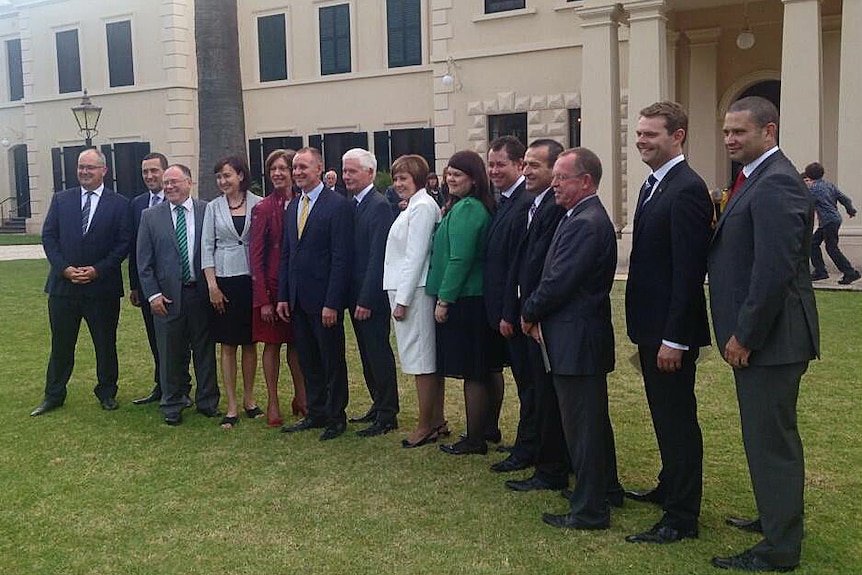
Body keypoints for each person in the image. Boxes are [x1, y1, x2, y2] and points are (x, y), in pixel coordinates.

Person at [709, 96, 819, 572]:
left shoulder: (776, 183)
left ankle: (779, 548)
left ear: (768, 132)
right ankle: (774, 518)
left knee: (771, 441)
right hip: (764, 339)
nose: (730, 139)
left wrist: (745, 335)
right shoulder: (756, 178)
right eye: (727, 131)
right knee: (762, 437)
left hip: (771, 341)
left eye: (740, 132)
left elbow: (773, 272)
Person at [624, 102, 713, 544]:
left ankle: (681, 517)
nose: (641, 140)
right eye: (639, 133)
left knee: (678, 419)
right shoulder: (653, 185)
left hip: (669, 333)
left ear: (677, 136)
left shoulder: (687, 189)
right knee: (664, 416)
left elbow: (688, 271)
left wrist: (675, 339)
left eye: (650, 134)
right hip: (650, 326)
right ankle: (669, 485)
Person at [521, 147, 622, 531]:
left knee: (584, 428)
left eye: (562, 177)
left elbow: (558, 282)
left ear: (586, 181)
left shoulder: (585, 221)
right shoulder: (577, 216)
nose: (555, 183)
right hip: (574, 337)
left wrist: (529, 311)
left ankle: (590, 508)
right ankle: (603, 490)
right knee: (589, 423)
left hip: (577, 340)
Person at [32, 148, 132, 416]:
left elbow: (123, 244)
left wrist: (97, 270)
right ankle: (54, 394)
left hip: (102, 289)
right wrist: (64, 269)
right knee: (61, 344)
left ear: (104, 171)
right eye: (81, 167)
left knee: (105, 343)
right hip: (63, 289)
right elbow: (49, 238)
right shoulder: (62, 199)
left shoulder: (120, 204)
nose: (84, 172)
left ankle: (107, 392)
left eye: (90, 167)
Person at [503, 139, 572, 493]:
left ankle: (551, 467)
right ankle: (541, 455)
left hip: (544, 320)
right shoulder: (534, 205)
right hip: (528, 314)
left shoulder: (556, 208)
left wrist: (531, 312)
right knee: (536, 393)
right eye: (526, 164)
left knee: (547, 398)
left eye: (535, 166)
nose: (527, 171)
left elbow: (550, 271)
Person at [135, 164, 222, 425]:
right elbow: (144, 262)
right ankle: (172, 402)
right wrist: (152, 296)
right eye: (166, 183)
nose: (169, 187)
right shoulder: (150, 216)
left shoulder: (207, 210)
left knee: (204, 350)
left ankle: (207, 401)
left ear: (189, 182)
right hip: (167, 297)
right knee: (170, 352)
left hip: (200, 294)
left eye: (174, 182)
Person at [277, 147, 353, 441]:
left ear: (319, 169)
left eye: (303, 167)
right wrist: (284, 295)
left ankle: (336, 416)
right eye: (295, 167)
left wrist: (332, 302)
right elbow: (287, 255)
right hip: (297, 300)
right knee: (308, 359)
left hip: (324, 302)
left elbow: (341, 258)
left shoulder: (338, 206)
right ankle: (316, 411)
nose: (297, 173)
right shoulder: (294, 206)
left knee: (331, 360)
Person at [426, 150, 496, 456]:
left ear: (473, 179)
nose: (451, 179)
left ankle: (475, 438)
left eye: (458, 175)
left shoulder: (469, 209)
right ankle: (488, 429)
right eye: (449, 173)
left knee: (475, 371)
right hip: (472, 297)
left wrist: (444, 299)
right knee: (485, 367)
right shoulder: (462, 206)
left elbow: (460, 258)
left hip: (467, 298)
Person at [383, 154, 446, 448]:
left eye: (403, 178)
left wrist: (403, 300)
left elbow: (415, 255)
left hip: (415, 292)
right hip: (408, 291)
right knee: (423, 360)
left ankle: (425, 425)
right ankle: (436, 419)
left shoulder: (422, 207)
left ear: (418, 180)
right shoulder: (415, 205)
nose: (398, 184)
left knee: (422, 361)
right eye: (395, 178)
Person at [483, 135, 535, 472]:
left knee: (529, 386)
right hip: (501, 311)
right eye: (490, 164)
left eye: (501, 164)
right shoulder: (503, 201)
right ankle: (527, 442)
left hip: (513, 313)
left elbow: (518, 265)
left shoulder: (523, 203)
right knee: (524, 383)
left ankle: (528, 448)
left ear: (519, 165)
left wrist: (508, 313)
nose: (494, 170)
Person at [201, 155, 263, 429]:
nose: (223, 181)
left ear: (240, 175)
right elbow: (206, 247)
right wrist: (212, 286)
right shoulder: (212, 208)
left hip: (250, 281)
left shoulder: (258, 204)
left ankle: (249, 400)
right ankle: (232, 405)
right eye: (219, 177)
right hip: (224, 281)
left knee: (250, 343)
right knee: (228, 345)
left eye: (227, 175)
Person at [342, 148, 400, 437]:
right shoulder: (353, 204)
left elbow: (379, 256)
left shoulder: (377, 205)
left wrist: (366, 299)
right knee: (366, 353)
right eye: (344, 170)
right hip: (355, 294)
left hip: (370, 297)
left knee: (378, 352)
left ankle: (388, 412)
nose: (347, 176)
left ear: (370, 173)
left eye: (352, 171)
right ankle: (378, 404)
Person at [249, 149, 307, 427]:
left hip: (299, 289)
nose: (278, 173)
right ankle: (273, 401)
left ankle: (302, 396)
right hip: (271, 290)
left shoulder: (304, 203)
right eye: (273, 169)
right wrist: (263, 300)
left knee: (297, 345)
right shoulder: (262, 209)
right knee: (271, 345)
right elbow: (256, 256)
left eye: (283, 168)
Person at [128, 152, 191, 406]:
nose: (150, 176)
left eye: (154, 171)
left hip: (179, 287)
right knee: (157, 341)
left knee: (180, 341)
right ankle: (162, 385)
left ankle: (181, 387)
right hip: (148, 288)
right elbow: (135, 249)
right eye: (145, 172)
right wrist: (136, 286)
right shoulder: (137, 204)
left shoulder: (182, 202)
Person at [803, 162, 860, 285]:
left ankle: (849, 272)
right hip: (833, 219)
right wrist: (850, 210)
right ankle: (820, 271)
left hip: (828, 221)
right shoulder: (829, 185)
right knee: (813, 244)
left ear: (809, 175)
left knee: (831, 248)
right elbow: (844, 198)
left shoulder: (813, 189)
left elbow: (805, 204)